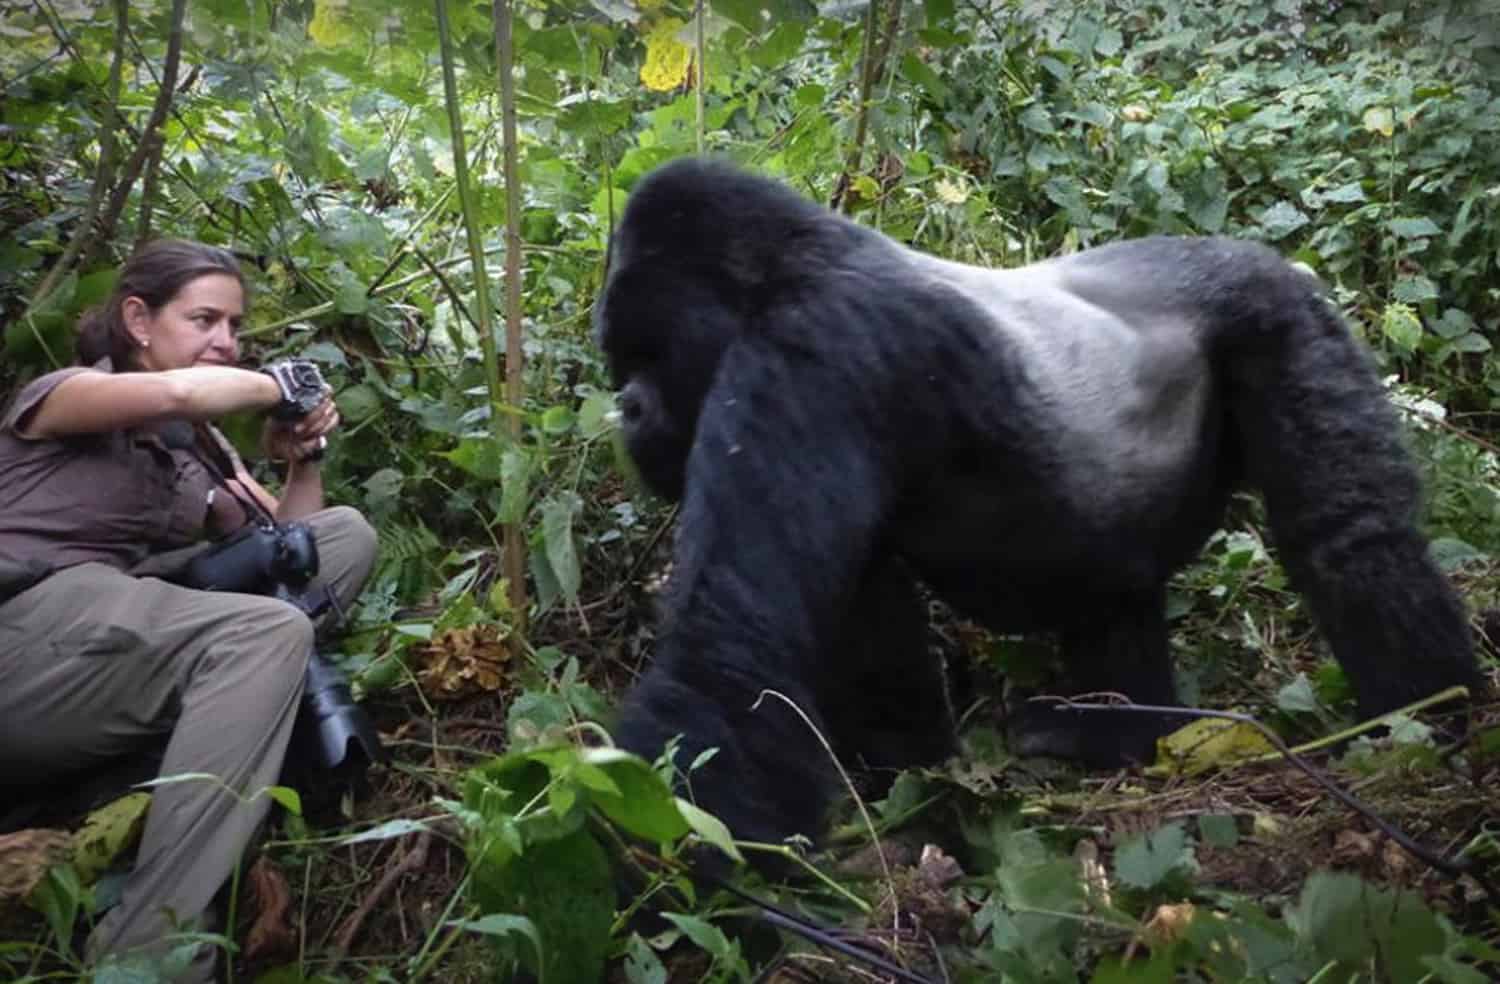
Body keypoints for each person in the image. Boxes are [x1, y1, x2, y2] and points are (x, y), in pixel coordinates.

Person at [0, 239, 378, 980]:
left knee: (344, 540)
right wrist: (272, 386)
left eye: (234, 327)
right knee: (267, 631)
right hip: (23, 637)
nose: (226, 343)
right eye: (205, 319)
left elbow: (289, 545)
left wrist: (302, 454)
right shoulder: (65, 393)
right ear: (138, 319)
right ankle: (151, 947)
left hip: (104, 639)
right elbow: (176, 394)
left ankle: (216, 709)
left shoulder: (194, 451)